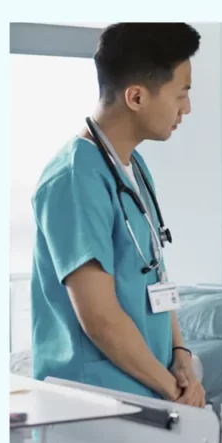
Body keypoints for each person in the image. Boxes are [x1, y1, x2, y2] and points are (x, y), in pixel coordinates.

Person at [30, 23, 206, 407]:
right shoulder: (75, 177)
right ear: (137, 97)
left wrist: (181, 354)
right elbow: (99, 316)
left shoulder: (133, 167)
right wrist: (170, 387)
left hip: (147, 391)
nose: (187, 108)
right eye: (182, 93)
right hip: (91, 401)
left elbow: (155, 272)